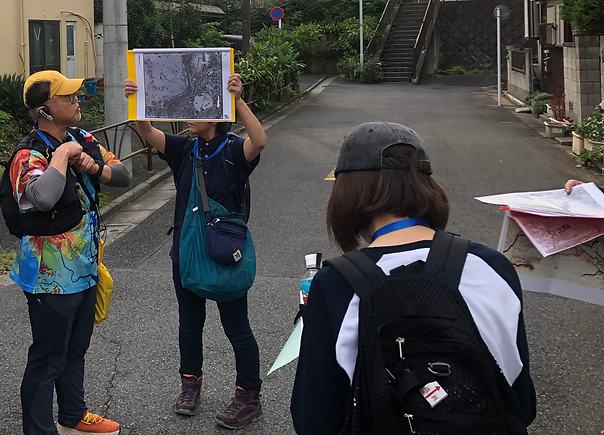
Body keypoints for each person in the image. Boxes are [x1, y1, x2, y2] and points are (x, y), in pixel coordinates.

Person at [290, 121, 537, 435]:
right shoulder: (493, 266)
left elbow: (313, 421)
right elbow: (521, 405)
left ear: (347, 193)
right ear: (426, 186)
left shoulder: (336, 284)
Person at [124, 73, 267, 429]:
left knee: (237, 327)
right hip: (185, 251)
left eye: (198, 109)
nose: (189, 114)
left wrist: (237, 99)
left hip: (223, 251)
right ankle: (190, 385)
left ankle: (249, 395)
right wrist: (138, 102)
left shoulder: (233, 149)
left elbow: (260, 140)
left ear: (217, 115)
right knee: (190, 324)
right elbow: (148, 133)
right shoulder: (184, 148)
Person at [8, 71, 130, 435]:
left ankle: (73, 415)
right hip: (49, 276)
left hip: (85, 267)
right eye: (68, 96)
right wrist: (61, 154)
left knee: (76, 348)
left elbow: (124, 174)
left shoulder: (83, 138)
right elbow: (41, 198)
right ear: (44, 110)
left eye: (76, 94)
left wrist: (96, 167)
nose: (77, 99)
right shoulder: (28, 154)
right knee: (47, 358)